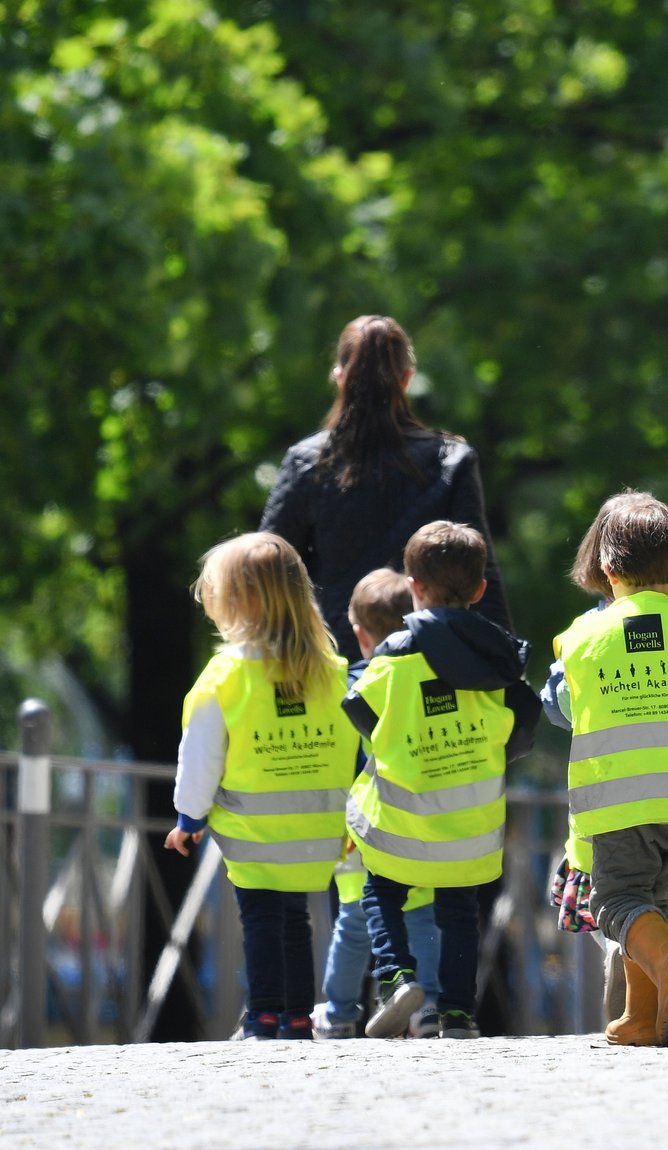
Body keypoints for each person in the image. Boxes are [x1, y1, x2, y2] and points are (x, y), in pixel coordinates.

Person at [344, 521, 541, 1040]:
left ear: (413, 585)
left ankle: (396, 978)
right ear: (480, 589)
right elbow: (522, 727)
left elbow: (358, 708)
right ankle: (457, 1013)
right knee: (459, 913)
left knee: (380, 890)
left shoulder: (395, 651)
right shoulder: (499, 656)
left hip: (402, 820)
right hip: (471, 825)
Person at [552, 494, 668, 1048]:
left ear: (607, 571)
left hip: (620, 799)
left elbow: (562, 706)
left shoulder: (583, 637)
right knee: (651, 900)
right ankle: (641, 1019)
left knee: (616, 901)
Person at [164, 533, 356, 1040]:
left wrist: (189, 817)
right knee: (297, 922)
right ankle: (296, 1016)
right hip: (320, 833)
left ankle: (264, 1015)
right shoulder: (334, 674)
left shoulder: (225, 676)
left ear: (232, 602)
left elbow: (201, 756)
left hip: (254, 835)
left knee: (261, 922)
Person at [260, 315, 511, 661]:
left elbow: (268, 569)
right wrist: (504, 659)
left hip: (332, 658)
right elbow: (477, 569)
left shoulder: (306, 462)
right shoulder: (450, 461)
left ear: (339, 376)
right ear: (406, 379)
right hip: (430, 656)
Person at [311, 568, 442, 1040]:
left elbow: (337, 755)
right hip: (417, 819)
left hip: (360, 826)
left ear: (360, 634)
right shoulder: (423, 678)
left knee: (354, 921)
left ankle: (340, 1010)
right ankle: (429, 1007)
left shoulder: (350, 686)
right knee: (422, 915)